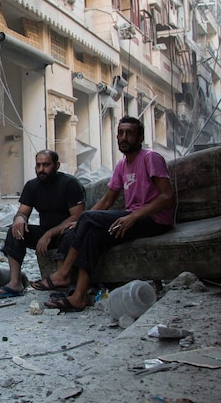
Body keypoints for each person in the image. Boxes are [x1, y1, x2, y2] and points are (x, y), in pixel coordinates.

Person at [42, 116, 175, 312]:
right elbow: (107, 200)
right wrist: (80, 223)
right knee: (91, 235)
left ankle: (62, 274)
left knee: (86, 219)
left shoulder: (150, 158)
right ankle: (79, 296)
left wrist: (133, 216)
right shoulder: (122, 165)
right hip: (133, 218)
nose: (124, 137)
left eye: (129, 133)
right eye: (121, 133)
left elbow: (167, 197)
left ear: (140, 138)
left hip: (155, 220)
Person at [0, 150, 85, 298]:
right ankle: (15, 283)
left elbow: (77, 216)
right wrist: (19, 219)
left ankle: (63, 283)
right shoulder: (32, 186)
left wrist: (49, 234)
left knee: (71, 233)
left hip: (64, 233)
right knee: (14, 230)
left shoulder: (70, 184)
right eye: (38, 165)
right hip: (44, 232)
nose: (41, 169)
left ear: (57, 165)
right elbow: (22, 212)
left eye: (46, 165)